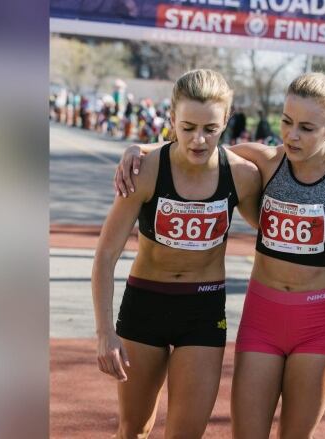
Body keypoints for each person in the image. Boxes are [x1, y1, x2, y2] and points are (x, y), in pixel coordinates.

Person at [115, 72, 325, 438]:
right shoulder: (263, 161)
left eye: (306, 128)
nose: (292, 135)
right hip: (262, 319)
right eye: (286, 122)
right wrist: (139, 150)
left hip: (317, 323)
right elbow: (198, 146)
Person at [92, 69, 261, 439]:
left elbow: (276, 230)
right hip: (145, 306)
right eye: (187, 127)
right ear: (171, 120)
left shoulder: (243, 176)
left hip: (202, 311)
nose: (198, 139)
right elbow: (105, 255)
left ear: (226, 123)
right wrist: (105, 333)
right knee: (133, 430)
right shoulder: (146, 171)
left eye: (210, 129)